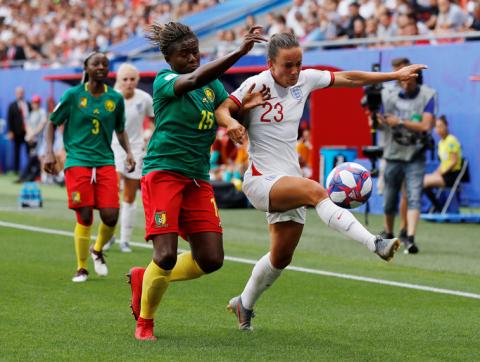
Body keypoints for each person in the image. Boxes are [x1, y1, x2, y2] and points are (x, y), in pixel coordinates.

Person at [215, 32, 425, 331]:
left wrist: (395, 75)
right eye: (288, 65)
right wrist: (233, 121)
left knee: (280, 257)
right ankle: (375, 242)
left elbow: (350, 78)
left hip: (289, 178)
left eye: (298, 64)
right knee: (316, 190)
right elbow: (221, 108)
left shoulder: (305, 80)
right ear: (271, 64)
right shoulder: (256, 84)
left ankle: (243, 304)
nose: (294, 71)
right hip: (261, 180)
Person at [127, 22, 266, 341]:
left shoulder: (212, 86)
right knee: (165, 255)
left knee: (211, 259)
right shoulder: (165, 81)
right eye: (184, 54)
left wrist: (234, 120)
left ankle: (143, 278)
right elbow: (193, 79)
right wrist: (239, 53)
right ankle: (145, 322)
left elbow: (222, 110)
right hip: (163, 174)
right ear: (169, 59)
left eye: (195, 52)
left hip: (197, 179)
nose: (192, 58)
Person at [44, 52, 136, 283]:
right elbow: (52, 123)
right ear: (86, 67)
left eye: (105, 64)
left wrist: (129, 153)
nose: (101, 67)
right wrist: (49, 152)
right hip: (78, 161)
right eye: (96, 63)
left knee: (110, 216)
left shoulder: (114, 99)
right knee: (84, 215)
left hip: (105, 161)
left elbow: (120, 129)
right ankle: (82, 267)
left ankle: (97, 251)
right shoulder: (73, 95)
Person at [377, 57, 437, 254]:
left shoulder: (428, 95)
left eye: (408, 77)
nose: (405, 81)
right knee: (389, 197)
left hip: (415, 153)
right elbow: (380, 120)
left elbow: (426, 125)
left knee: (413, 196)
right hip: (393, 152)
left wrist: (400, 122)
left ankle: (410, 237)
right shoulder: (388, 95)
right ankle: (388, 232)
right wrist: (377, 118)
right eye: (401, 77)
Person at [103, 63, 154, 253]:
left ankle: (125, 240)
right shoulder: (110, 99)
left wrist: (151, 143)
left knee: (130, 196)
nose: (129, 83)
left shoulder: (145, 99)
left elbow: (156, 121)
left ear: (137, 80)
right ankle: (108, 235)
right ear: (118, 80)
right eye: (125, 79)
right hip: (113, 149)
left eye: (132, 79)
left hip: (137, 150)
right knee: (110, 194)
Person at [420, 115, 462, 211]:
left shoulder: (451, 140)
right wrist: (436, 173)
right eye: (436, 127)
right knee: (423, 182)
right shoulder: (440, 143)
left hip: (451, 176)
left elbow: (453, 162)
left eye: (441, 126)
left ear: (446, 126)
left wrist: (441, 173)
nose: (438, 129)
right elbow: (443, 163)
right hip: (443, 174)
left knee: (423, 182)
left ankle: (437, 208)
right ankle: (438, 208)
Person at [18, 95, 47, 182]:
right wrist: (30, 135)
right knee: (34, 159)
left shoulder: (42, 112)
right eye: (34, 102)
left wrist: (33, 134)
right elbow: (28, 126)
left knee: (39, 158)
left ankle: (41, 178)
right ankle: (31, 177)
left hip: (42, 141)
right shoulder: (31, 114)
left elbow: (42, 124)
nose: (35, 104)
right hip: (32, 141)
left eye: (37, 102)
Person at [7, 86, 31, 175]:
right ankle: (16, 170)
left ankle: (29, 169)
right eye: (18, 93)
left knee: (29, 152)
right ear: (16, 94)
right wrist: (10, 131)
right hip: (16, 133)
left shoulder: (28, 104)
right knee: (16, 152)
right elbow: (9, 119)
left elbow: (31, 118)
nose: (20, 94)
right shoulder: (12, 105)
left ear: (23, 93)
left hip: (27, 132)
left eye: (21, 93)